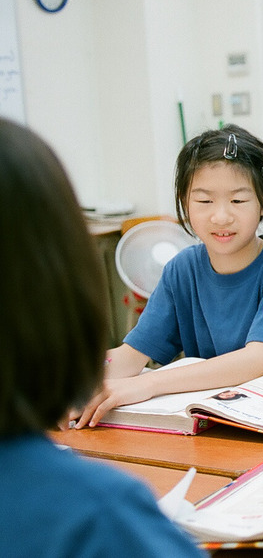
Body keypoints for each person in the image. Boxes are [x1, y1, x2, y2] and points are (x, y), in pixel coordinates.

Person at [0, 118, 203, 556]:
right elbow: (133, 350)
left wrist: (141, 381)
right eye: (203, 200)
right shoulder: (96, 517)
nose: (220, 214)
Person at [74, 124, 263, 428]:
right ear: (184, 201)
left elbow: (256, 361)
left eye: (238, 201)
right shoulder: (182, 269)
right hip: (212, 425)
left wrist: (147, 384)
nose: (221, 216)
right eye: (204, 201)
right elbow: (130, 357)